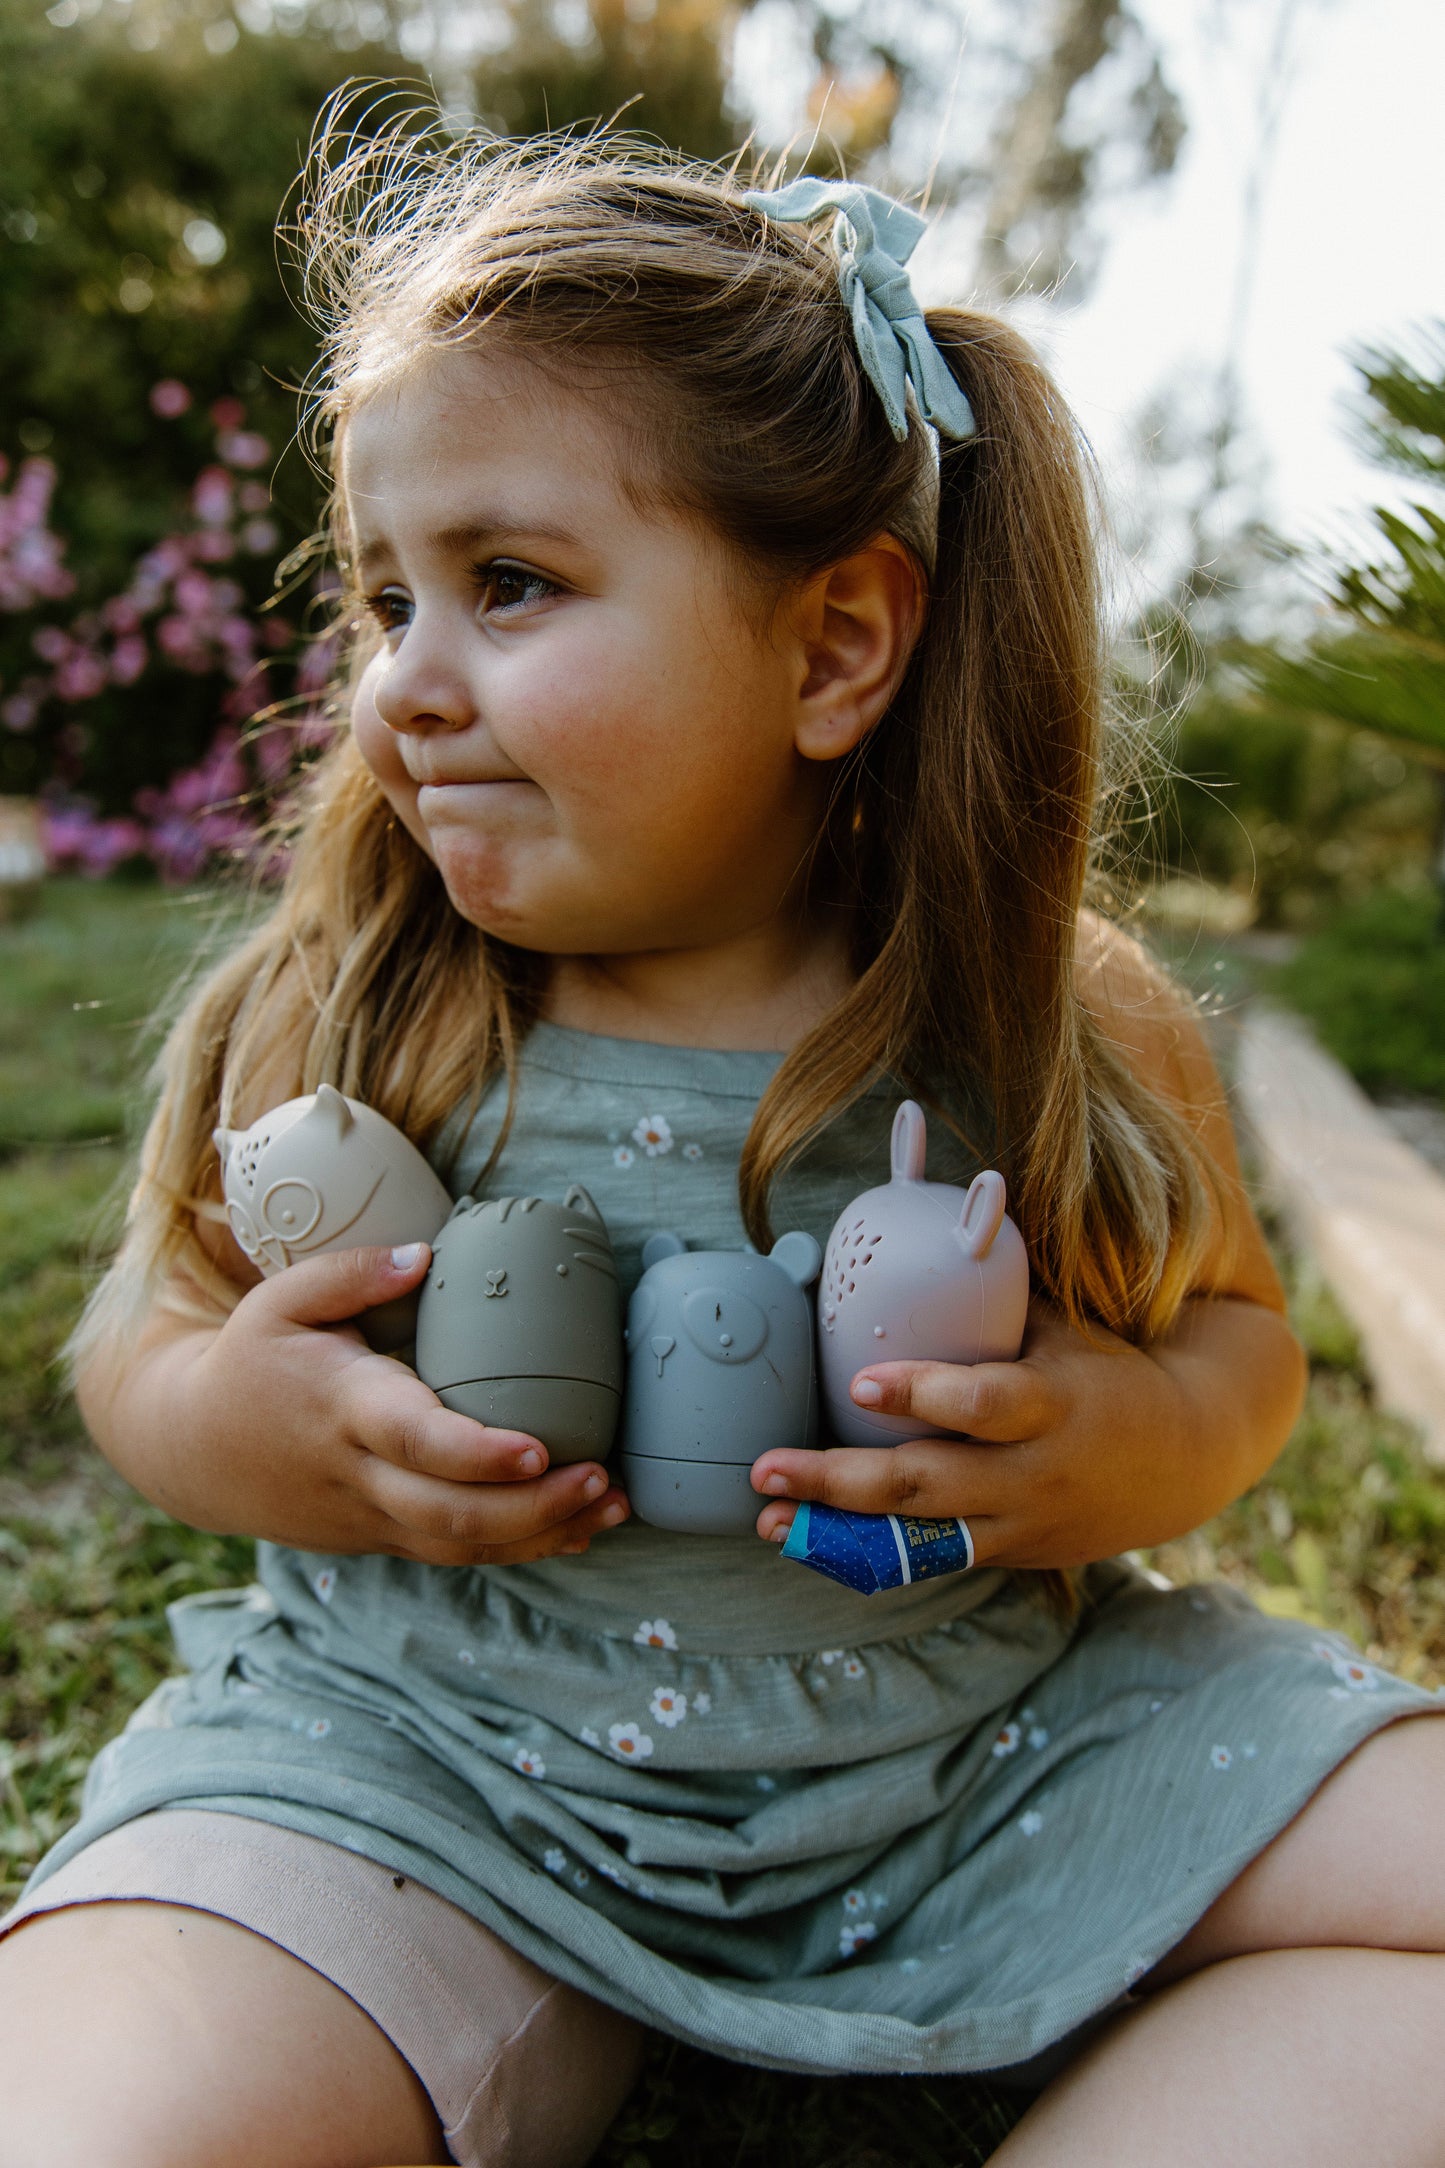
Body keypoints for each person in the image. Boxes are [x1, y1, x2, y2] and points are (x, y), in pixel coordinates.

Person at [1, 115, 1442, 2168]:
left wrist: (1104, 1449)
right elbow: (140, 1344)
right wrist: (249, 1421)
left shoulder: (1049, 1018)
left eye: (507, 585)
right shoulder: (340, 1009)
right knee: (94, 2119)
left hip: (986, 1756)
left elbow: (1238, 1347)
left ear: (837, 644)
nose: (406, 679)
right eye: (383, 597)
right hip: (432, 1770)